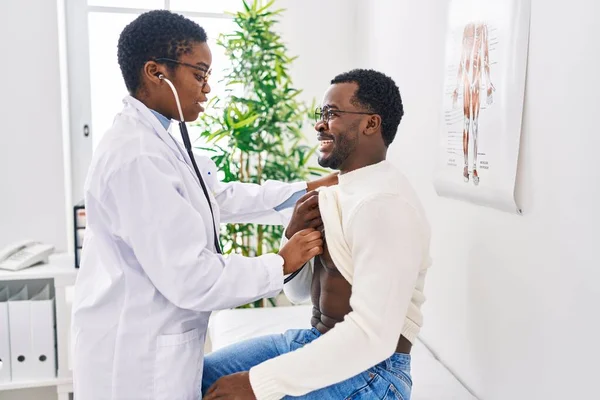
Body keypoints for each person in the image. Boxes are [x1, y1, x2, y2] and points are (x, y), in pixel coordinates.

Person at [70, 10, 337, 400]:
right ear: (155, 73)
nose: (207, 89)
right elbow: (192, 277)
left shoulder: (158, 143)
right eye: (199, 74)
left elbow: (217, 198)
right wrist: (281, 262)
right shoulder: (138, 157)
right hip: (134, 361)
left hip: (155, 344)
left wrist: (307, 187)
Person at [202, 69, 432, 399]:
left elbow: (373, 337)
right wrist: (293, 232)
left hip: (374, 372)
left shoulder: (384, 204)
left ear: (371, 124)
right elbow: (298, 294)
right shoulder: (337, 194)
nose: (319, 124)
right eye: (320, 114)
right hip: (317, 341)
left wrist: (259, 383)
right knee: (200, 378)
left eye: (332, 114)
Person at [452, 21, 495, 185]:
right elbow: (462, 61)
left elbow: (485, 58)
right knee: (466, 124)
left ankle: (474, 166)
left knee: (474, 126)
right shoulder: (467, 28)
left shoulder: (483, 29)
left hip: (476, 83)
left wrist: (489, 85)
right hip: (466, 83)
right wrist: (456, 88)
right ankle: (465, 165)